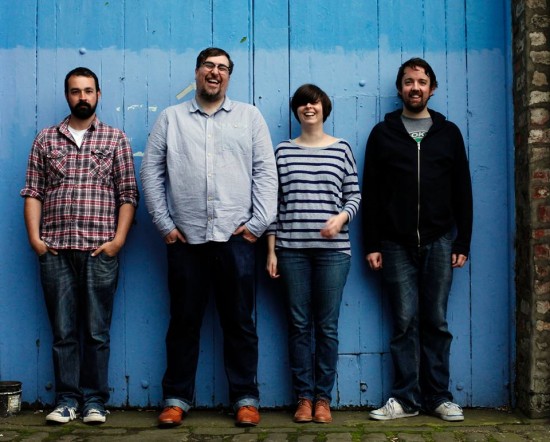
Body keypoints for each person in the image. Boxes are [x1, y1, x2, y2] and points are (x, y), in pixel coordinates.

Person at [140, 47, 278, 428]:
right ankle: (176, 398)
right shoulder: (171, 119)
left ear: (229, 76)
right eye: (208, 66)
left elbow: (266, 173)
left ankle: (246, 399)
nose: (215, 72)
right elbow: (151, 173)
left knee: (240, 322)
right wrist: (165, 225)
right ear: (197, 72)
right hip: (186, 240)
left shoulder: (249, 117)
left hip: (237, 239)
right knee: (183, 321)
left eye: (222, 68)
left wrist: (257, 225)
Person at [21, 67, 139, 425]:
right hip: (55, 250)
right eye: (75, 91)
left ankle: (94, 402)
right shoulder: (46, 139)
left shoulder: (115, 139)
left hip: (99, 251)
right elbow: (33, 191)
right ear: (67, 95)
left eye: (88, 91)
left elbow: (128, 195)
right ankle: (66, 400)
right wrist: (36, 241)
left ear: (98, 95)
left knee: (96, 332)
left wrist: (117, 242)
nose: (82, 97)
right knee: (63, 332)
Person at [362, 58, 473, 422]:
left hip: (440, 241)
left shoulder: (448, 133)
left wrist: (463, 242)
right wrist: (372, 244)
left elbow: (463, 191)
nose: (415, 87)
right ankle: (406, 399)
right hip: (394, 243)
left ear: (432, 88)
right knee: (404, 322)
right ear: (400, 88)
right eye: (409, 81)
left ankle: (439, 397)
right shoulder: (383, 134)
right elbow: (371, 193)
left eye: (421, 82)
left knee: (436, 322)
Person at [266, 84, 361, 423]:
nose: (309, 107)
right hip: (291, 251)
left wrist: (342, 217)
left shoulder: (341, 149)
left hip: (333, 253)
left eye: (315, 102)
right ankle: (303, 398)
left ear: (325, 108)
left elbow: (354, 195)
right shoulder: (282, 152)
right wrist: (271, 250)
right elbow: (273, 204)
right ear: (296, 110)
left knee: (327, 327)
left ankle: (323, 399)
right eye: (303, 103)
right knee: (298, 325)